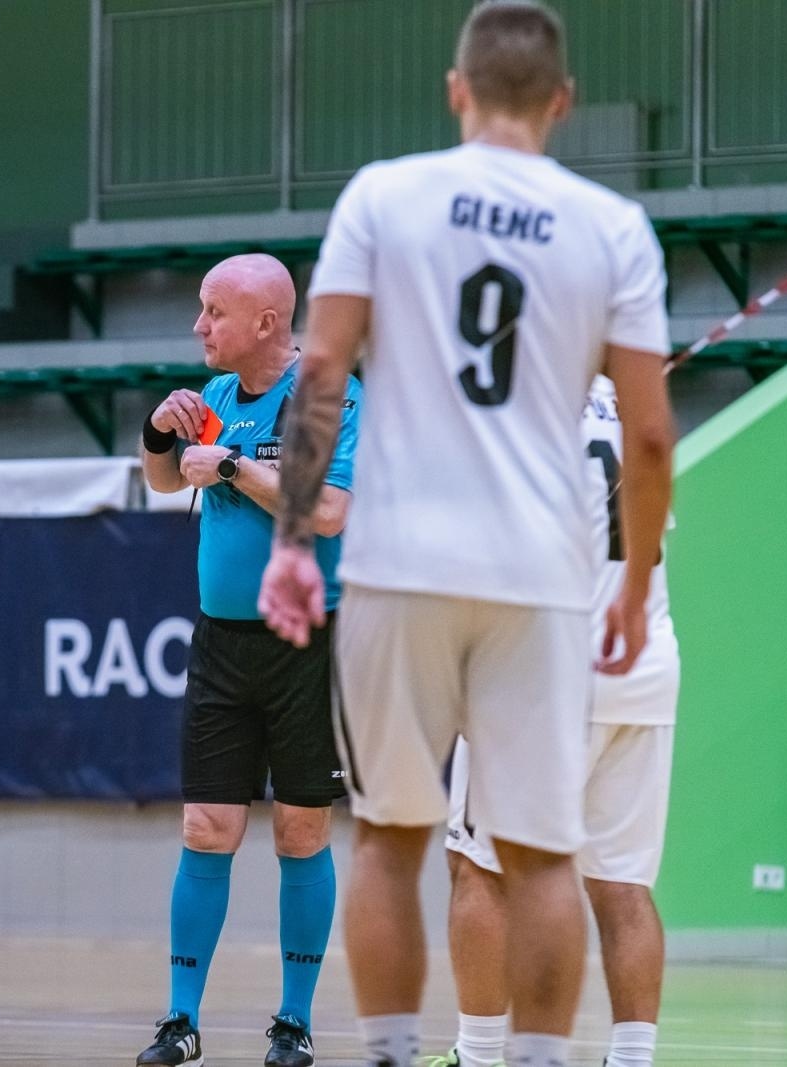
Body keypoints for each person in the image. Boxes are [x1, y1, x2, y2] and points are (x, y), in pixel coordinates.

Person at [257, 3, 676, 1066]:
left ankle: (397, 1054)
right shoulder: (612, 226)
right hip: (539, 575)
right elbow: (649, 438)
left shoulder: (382, 196)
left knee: (391, 845)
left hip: (401, 562)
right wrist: (634, 588)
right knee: (541, 860)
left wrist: (293, 542)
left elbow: (319, 372)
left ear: (456, 90)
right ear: (562, 101)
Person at [135, 254, 362, 1067]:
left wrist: (231, 465)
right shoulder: (217, 395)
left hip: (308, 643)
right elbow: (166, 481)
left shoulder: (328, 395)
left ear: (266, 322)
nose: (199, 325)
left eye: (213, 311)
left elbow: (329, 510)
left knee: (301, 829)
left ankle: (293, 1021)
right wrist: (160, 431)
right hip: (222, 644)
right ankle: (180, 1019)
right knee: (206, 825)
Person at [435, 375, 681, 1067]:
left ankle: (479, 1055)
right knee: (624, 885)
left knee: (479, 868)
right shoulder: (628, 405)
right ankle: (632, 1059)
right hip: (643, 671)